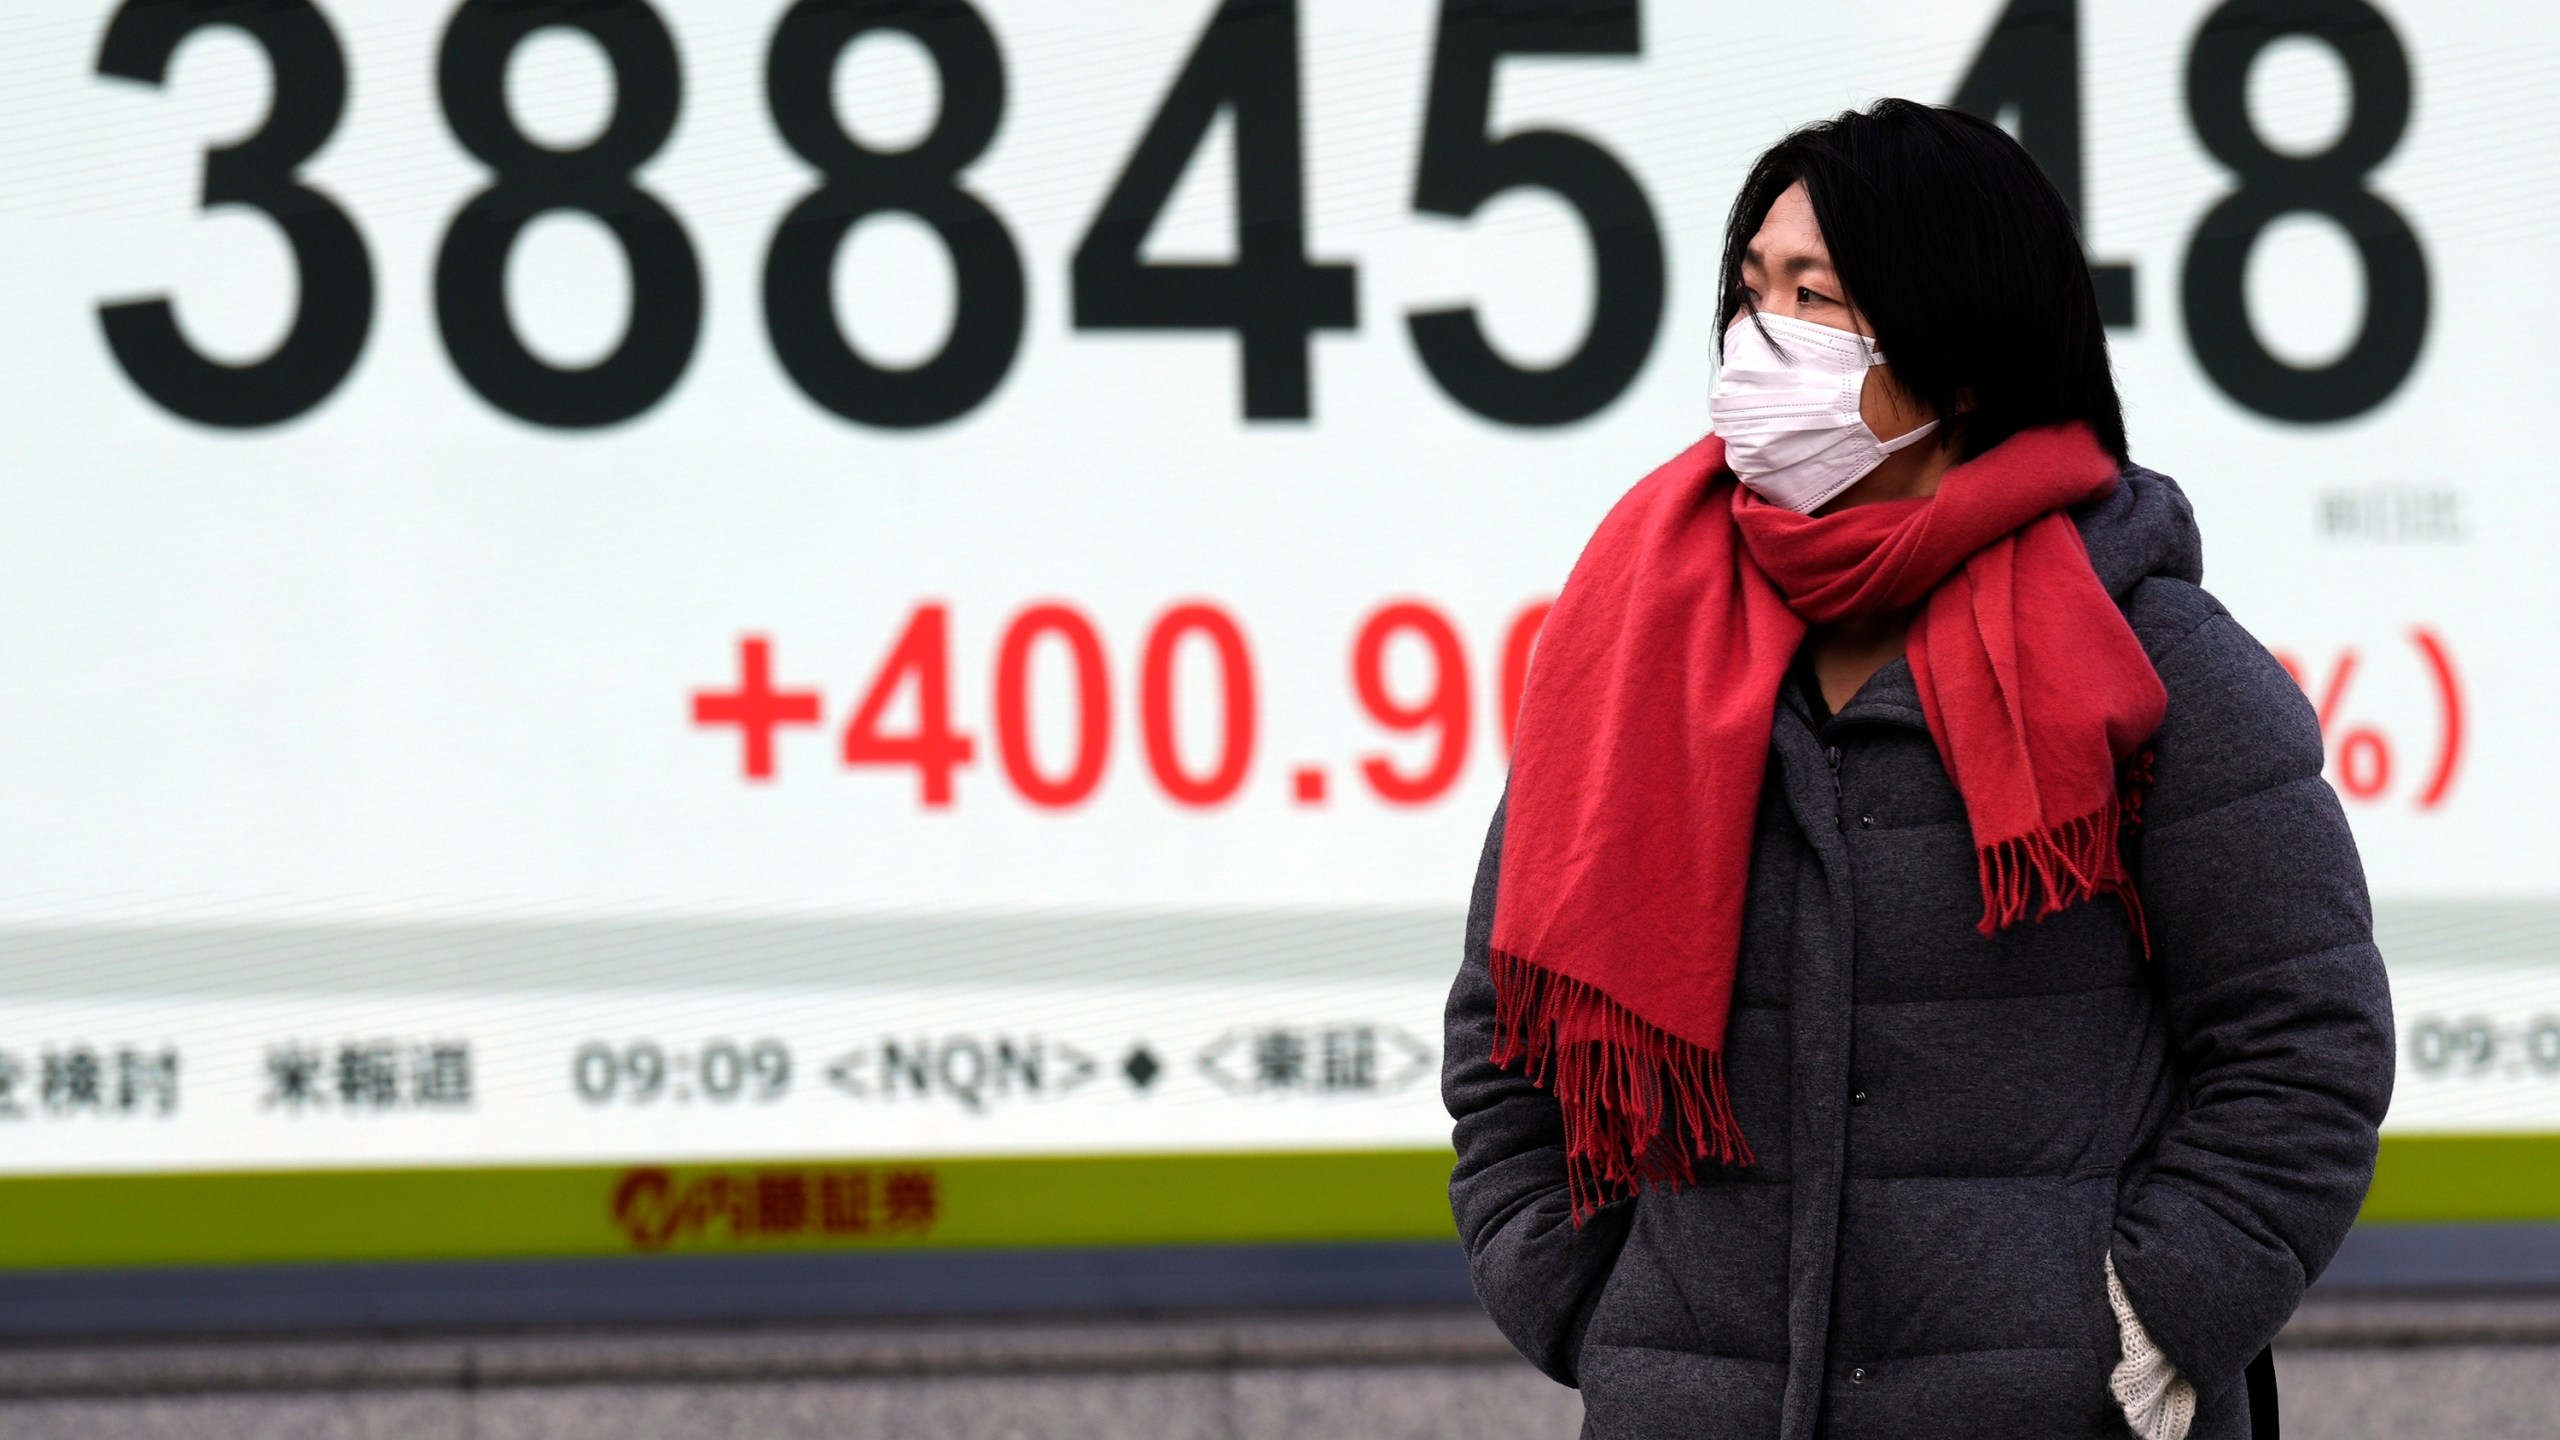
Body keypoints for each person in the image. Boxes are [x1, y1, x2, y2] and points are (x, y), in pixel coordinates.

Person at [1441, 99, 2393, 1440]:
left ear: (1954, 356)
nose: (1756, 333)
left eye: (1811, 295)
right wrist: (1593, 1307)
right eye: (1747, 288)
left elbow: (2307, 1046)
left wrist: (2144, 1320)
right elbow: (1507, 1038)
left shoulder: (2154, 661)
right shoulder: (1636, 648)